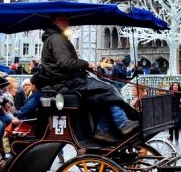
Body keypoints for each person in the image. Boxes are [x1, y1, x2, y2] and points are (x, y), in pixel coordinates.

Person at [41, 14, 139, 143]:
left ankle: (102, 130)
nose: (66, 22)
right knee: (109, 89)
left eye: (66, 19)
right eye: (61, 19)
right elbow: (65, 63)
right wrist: (86, 64)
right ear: (53, 21)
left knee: (102, 96)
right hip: (69, 82)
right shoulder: (57, 39)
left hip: (66, 81)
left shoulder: (55, 37)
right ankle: (121, 123)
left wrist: (84, 66)